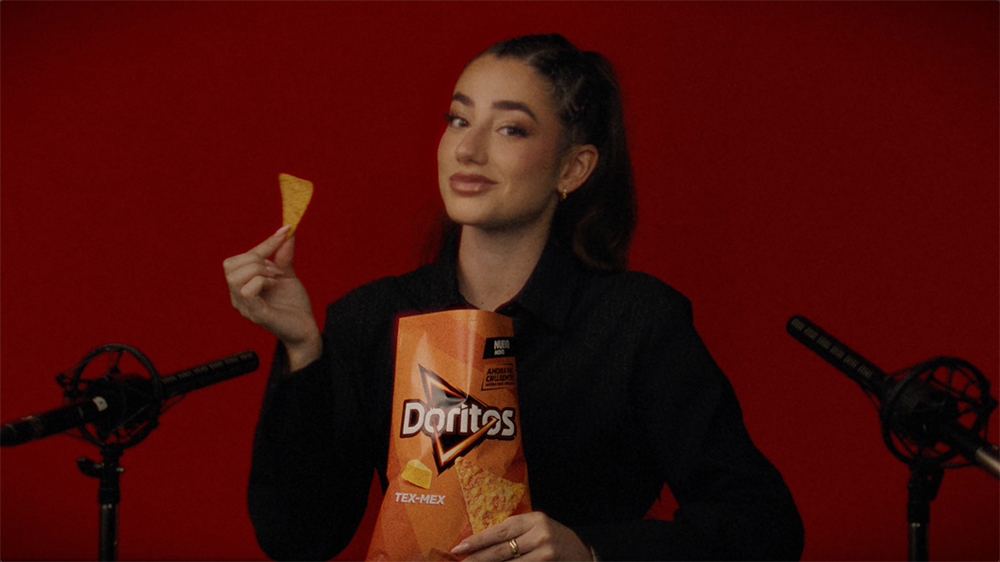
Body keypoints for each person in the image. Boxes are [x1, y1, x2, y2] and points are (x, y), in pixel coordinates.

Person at [225, 34, 804, 561]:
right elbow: (297, 538)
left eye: (511, 129)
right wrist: (302, 351)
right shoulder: (371, 318)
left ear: (573, 168)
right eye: (458, 119)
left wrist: (593, 551)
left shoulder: (637, 323)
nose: (468, 150)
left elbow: (765, 526)